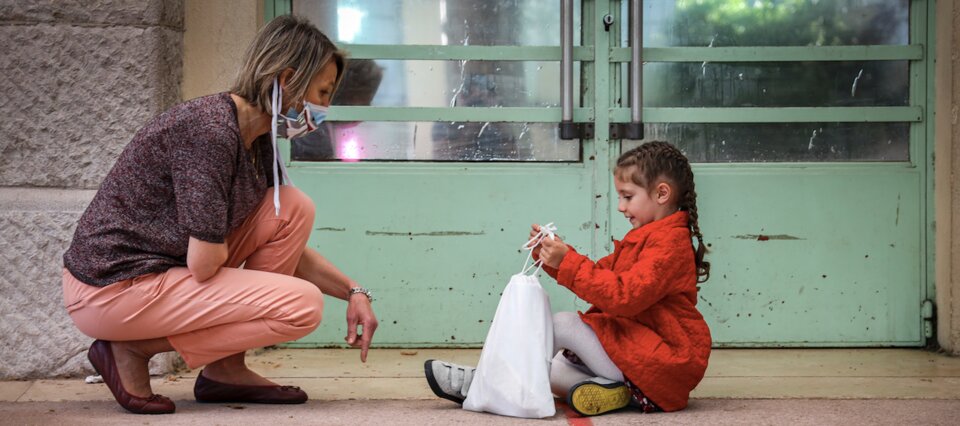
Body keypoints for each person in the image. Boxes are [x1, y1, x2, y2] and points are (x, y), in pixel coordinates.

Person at [61, 15, 378, 415]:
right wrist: (261, 299)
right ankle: (130, 349)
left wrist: (354, 291)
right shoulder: (210, 131)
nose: (324, 107)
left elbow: (280, 243)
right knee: (300, 305)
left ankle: (226, 369)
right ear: (286, 79)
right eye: (323, 92)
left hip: (163, 271)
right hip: (112, 287)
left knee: (293, 208)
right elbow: (205, 265)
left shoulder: (255, 135)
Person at [424, 141, 712, 416]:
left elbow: (624, 297)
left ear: (662, 194)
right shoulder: (647, 239)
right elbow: (601, 275)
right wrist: (554, 258)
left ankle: (482, 383)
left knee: (562, 324)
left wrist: (567, 262)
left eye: (627, 196)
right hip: (640, 358)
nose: (622, 207)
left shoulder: (668, 245)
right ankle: (617, 392)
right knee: (549, 368)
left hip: (662, 362)